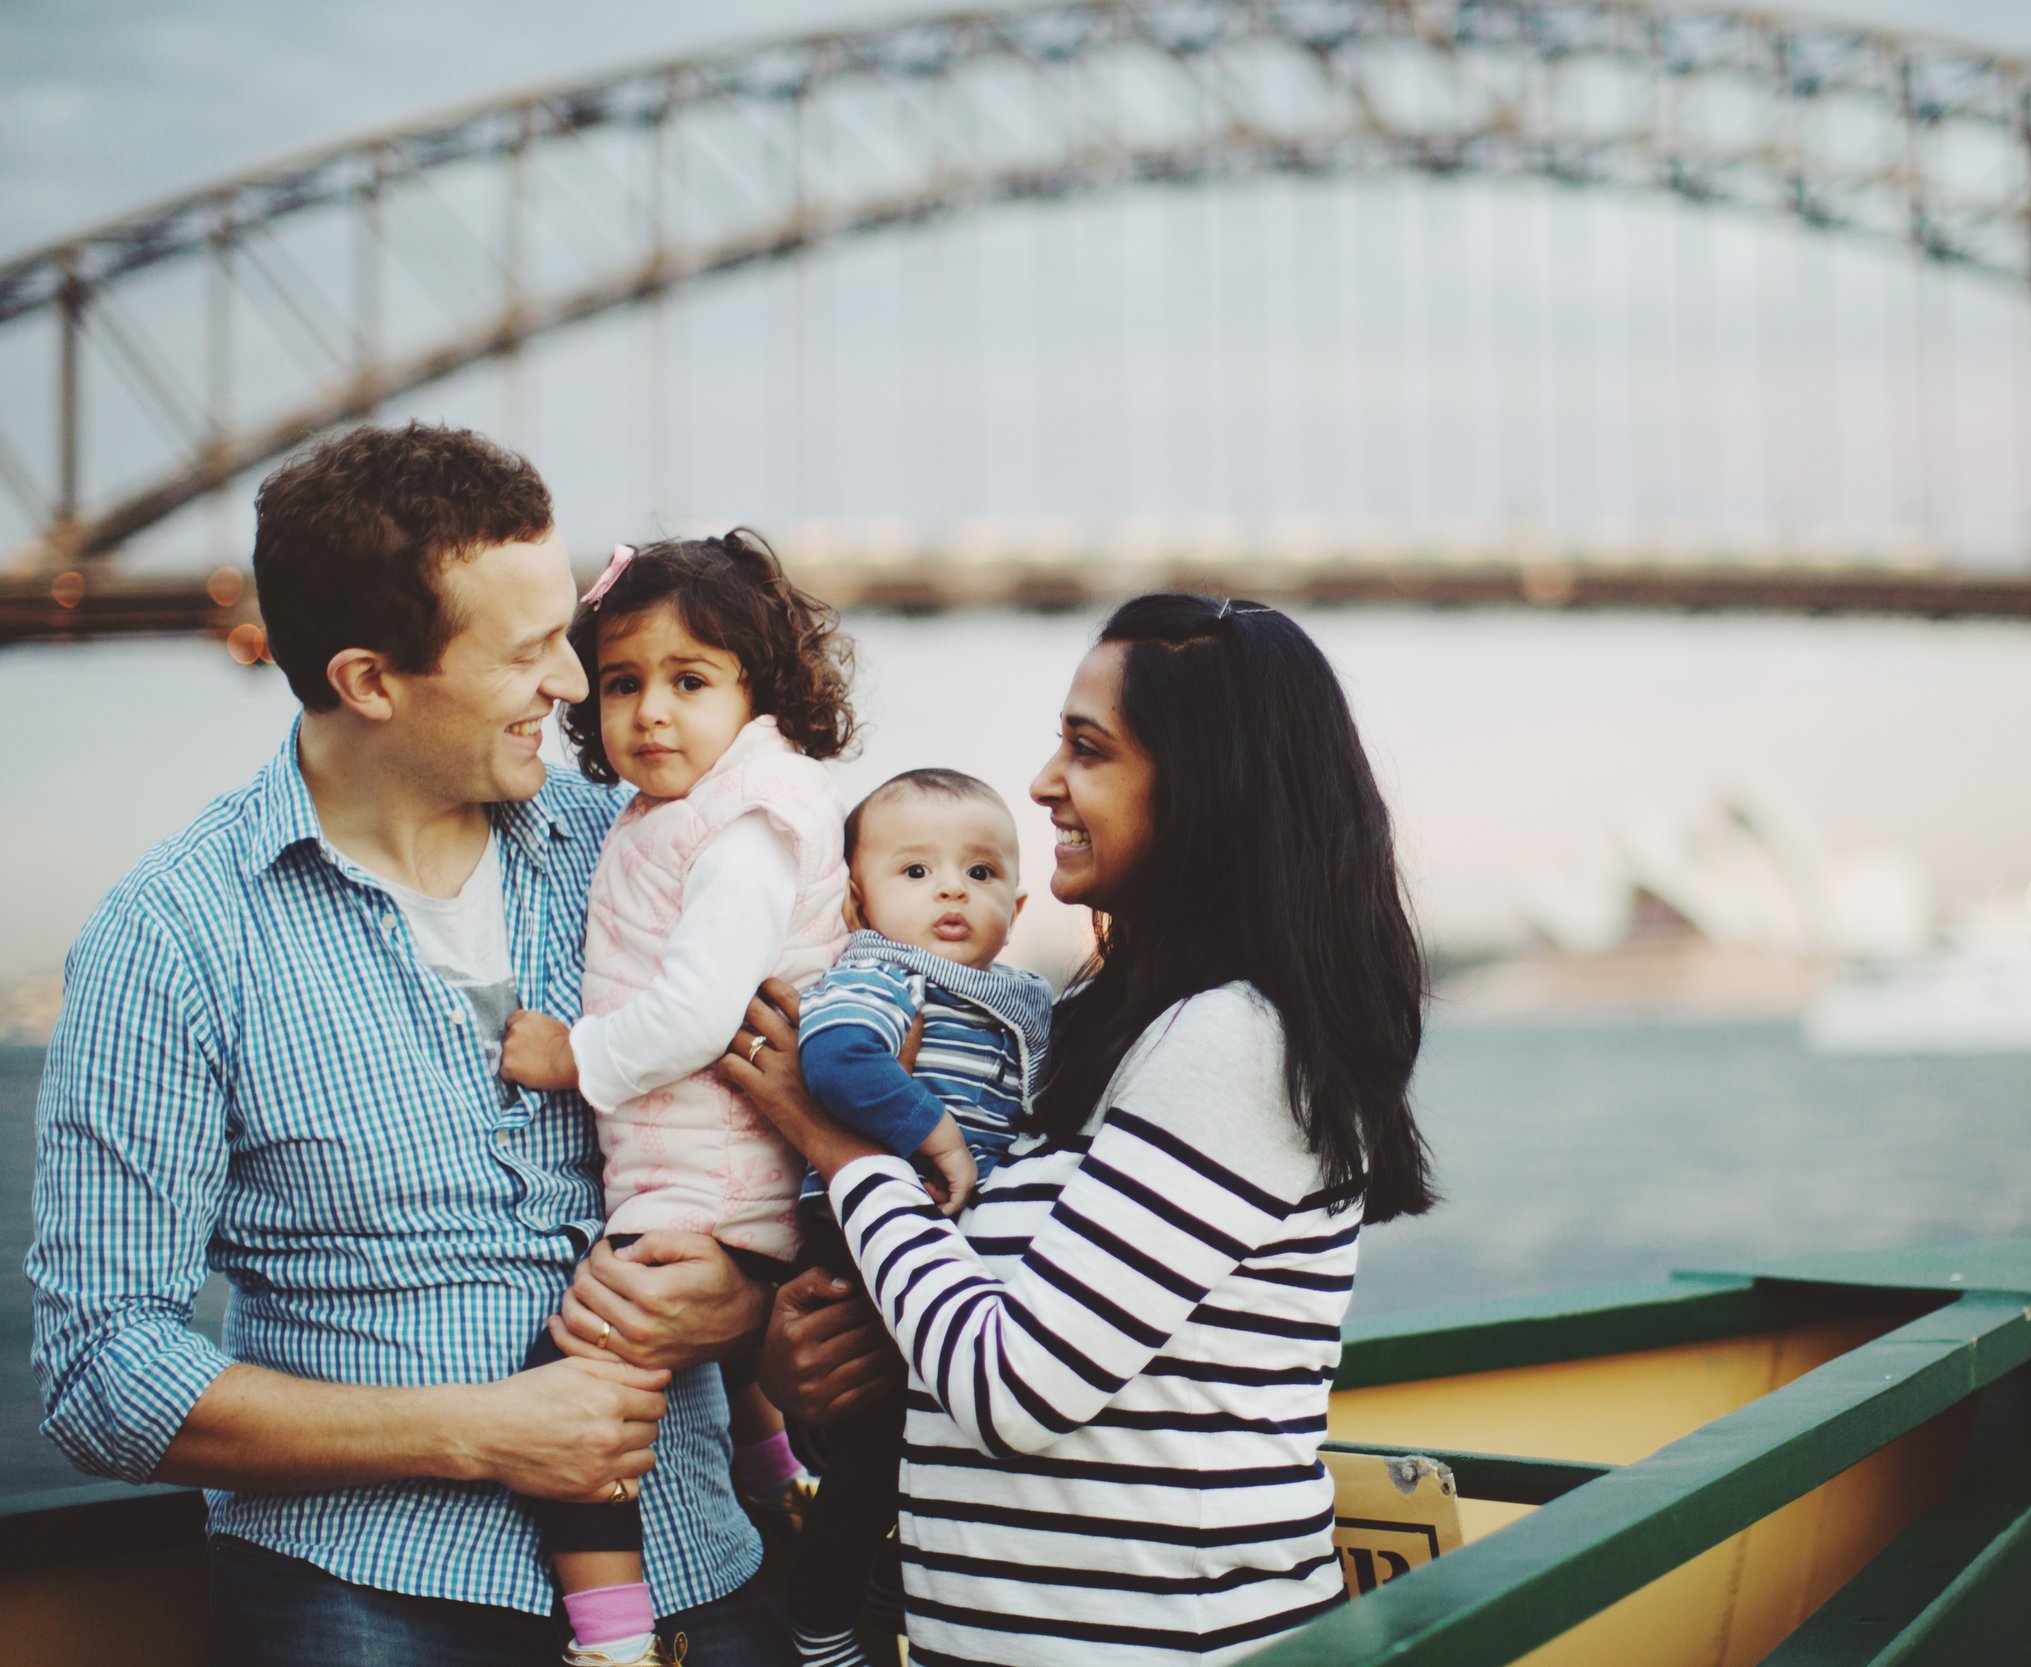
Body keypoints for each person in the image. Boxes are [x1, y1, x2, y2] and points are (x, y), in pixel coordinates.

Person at [25, 423, 892, 1667]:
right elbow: (102, 1369)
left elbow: (798, 1114)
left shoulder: (651, 849)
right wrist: (483, 1430)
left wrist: (746, 1300)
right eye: (533, 650)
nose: (579, 687)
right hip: (359, 1603)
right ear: (372, 679)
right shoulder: (175, 938)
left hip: (706, 1567)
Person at [728, 593, 1436, 1666]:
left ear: (1207, 786)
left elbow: (1014, 1386)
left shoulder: (1235, 1039)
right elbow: (964, 1309)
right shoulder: (1079, 1027)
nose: (1043, 782)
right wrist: (822, 1358)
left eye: (1087, 749)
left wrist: (845, 1151)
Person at [495, 530, 860, 1667]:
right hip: (713, 1172)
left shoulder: (746, 823)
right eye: (620, 682)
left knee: (569, 1379)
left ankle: (609, 1637)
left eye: (689, 680)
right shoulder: (677, 811)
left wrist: (574, 1057)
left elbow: (703, 1010)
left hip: (720, 1180)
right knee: (700, 1348)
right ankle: (776, 1478)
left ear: (759, 691)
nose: (650, 711)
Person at [783, 767, 1056, 1667]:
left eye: (980, 873)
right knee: (870, 1451)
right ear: (857, 895)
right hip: (862, 1231)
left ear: (1016, 902)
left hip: (939, 1247)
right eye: (916, 871)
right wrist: (929, 1127)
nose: (951, 888)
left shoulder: (1025, 997)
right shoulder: (883, 970)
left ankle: (884, 1588)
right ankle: (821, 1620)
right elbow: (835, 1058)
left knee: (920, 1443)